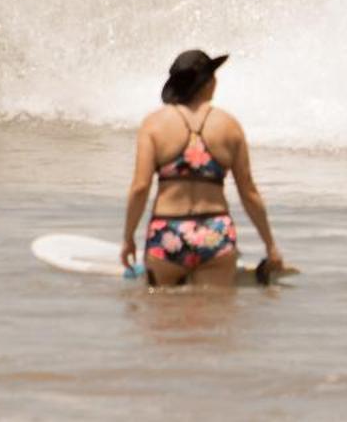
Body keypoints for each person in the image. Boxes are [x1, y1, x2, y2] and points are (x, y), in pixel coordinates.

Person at [119, 49, 284, 288]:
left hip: (168, 231)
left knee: (161, 316)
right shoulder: (229, 126)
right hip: (215, 232)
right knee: (214, 316)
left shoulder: (154, 125)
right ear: (208, 83)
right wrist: (271, 246)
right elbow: (248, 192)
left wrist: (128, 239)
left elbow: (140, 187)